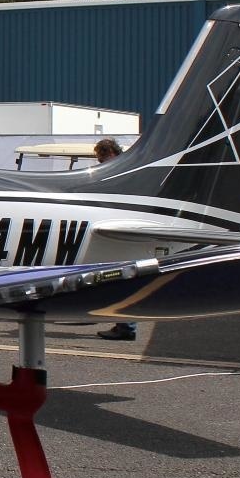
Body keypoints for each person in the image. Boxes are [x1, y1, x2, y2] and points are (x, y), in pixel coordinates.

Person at [93, 137, 137, 342]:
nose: (101, 163)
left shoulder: (121, 172)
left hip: (124, 228)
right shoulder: (126, 168)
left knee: (123, 277)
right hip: (123, 226)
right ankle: (124, 324)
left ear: (110, 154)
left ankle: (127, 326)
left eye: (102, 158)